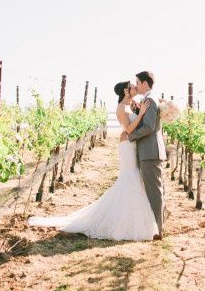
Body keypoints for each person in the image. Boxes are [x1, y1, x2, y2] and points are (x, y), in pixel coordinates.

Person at [27, 81, 159, 241]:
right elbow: (128, 130)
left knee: (133, 178)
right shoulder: (122, 108)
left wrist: (141, 110)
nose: (134, 87)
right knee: (129, 178)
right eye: (131, 86)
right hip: (127, 145)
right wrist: (141, 114)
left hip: (132, 145)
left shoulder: (131, 105)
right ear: (125, 90)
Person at [126, 71, 167, 240]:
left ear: (145, 83)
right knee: (153, 189)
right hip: (148, 151)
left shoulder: (150, 100)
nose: (136, 85)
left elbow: (149, 127)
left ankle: (158, 230)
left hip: (150, 151)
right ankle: (155, 226)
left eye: (137, 82)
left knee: (155, 191)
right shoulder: (148, 100)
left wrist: (132, 135)